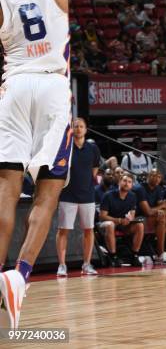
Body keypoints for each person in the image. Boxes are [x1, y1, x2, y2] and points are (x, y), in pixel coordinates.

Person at [0, 0, 86, 329]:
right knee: (48, 192)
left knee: (6, 189)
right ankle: (21, 276)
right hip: (53, 88)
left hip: (13, 87)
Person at [56, 117, 100, 276]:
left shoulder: (93, 148)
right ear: (72, 129)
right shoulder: (66, 147)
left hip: (87, 195)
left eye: (82, 126)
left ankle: (87, 264)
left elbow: (95, 169)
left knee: (89, 230)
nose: (79, 129)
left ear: (86, 129)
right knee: (63, 230)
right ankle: (62, 265)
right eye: (76, 126)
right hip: (67, 194)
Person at [99, 173, 143, 267]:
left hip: (123, 224)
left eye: (129, 182)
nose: (126, 183)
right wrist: (119, 220)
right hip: (105, 224)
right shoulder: (108, 195)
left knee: (140, 225)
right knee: (110, 224)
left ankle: (134, 256)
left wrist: (129, 219)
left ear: (132, 185)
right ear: (119, 182)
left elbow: (132, 213)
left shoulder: (132, 196)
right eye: (124, 181)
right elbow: (102, 216)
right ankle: (113, 256)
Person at [135, 169, 166, 263]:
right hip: (137, 218)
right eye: (154, 175)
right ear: (148, 176)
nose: (157, 178)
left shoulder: (158, 189)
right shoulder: (140, 189)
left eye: (159, 177)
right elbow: (147, 211)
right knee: (161, 219)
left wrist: (162, 210)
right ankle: (160, 254)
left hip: (150, 217)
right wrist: (161, 207)